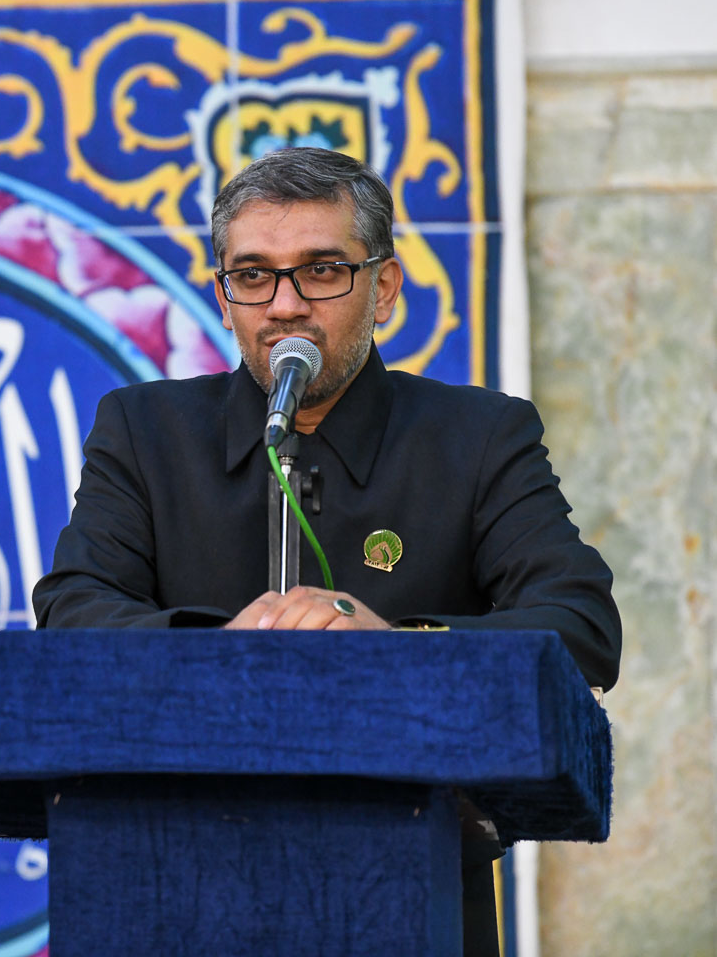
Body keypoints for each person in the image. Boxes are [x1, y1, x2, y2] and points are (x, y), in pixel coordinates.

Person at [31, 146, 621, 957]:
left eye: (321, 271)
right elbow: (73, 610)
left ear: (384, 288)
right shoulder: (143, 432)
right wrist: (221, 647)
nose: (285, 305)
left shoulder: (480, 437)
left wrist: (398, 646)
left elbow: (581, 624)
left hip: (409, 893)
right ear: (224, 297)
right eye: (254, 276)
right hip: (178, 889)